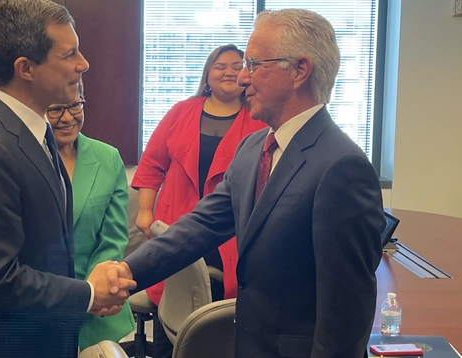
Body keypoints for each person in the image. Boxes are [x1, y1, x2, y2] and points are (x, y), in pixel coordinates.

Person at [116, 8, 386, 358]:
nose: (242, 77)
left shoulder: (342, 167)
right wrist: (126, 270)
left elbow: (346, 313)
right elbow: (201, 226)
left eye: (255, 64)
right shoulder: (253, 147)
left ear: (300, 71)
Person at [0, 1, 135, 357]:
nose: (84, 64)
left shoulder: (37, 131)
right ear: (25, 68)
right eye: (70, 54)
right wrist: (88, 294)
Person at [131, 44, 265, 357]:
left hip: (228, 234)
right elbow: (152, 164)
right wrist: (145, 213)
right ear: (207, 73)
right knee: (173, 305)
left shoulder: (258, 119)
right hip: (176, 225)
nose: (229, 72)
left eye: (237, 65)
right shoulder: (181, 111)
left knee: (218, 314)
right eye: (221, 66)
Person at [46, 80, 135, 350]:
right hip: (43, 305)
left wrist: (92, 292)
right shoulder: (25, 159)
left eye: (76, 105)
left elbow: (114, 238)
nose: (68, 117)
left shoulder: (108, 158)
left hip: (100, 304)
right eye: (55, 109)